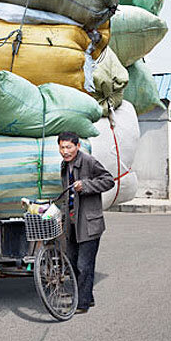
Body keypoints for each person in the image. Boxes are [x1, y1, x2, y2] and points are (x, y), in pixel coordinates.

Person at [56, 131, 115, 314]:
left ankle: (81, 303)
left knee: (84, 264)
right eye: (62, 147)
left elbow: (109, 181)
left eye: (69, 147)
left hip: (89, 224)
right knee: (72, 262)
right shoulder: (65, 166)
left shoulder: (89, 161)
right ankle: (87, 297)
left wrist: (86, 185)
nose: (65, 151)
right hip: (72, 223)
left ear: (77, 146)